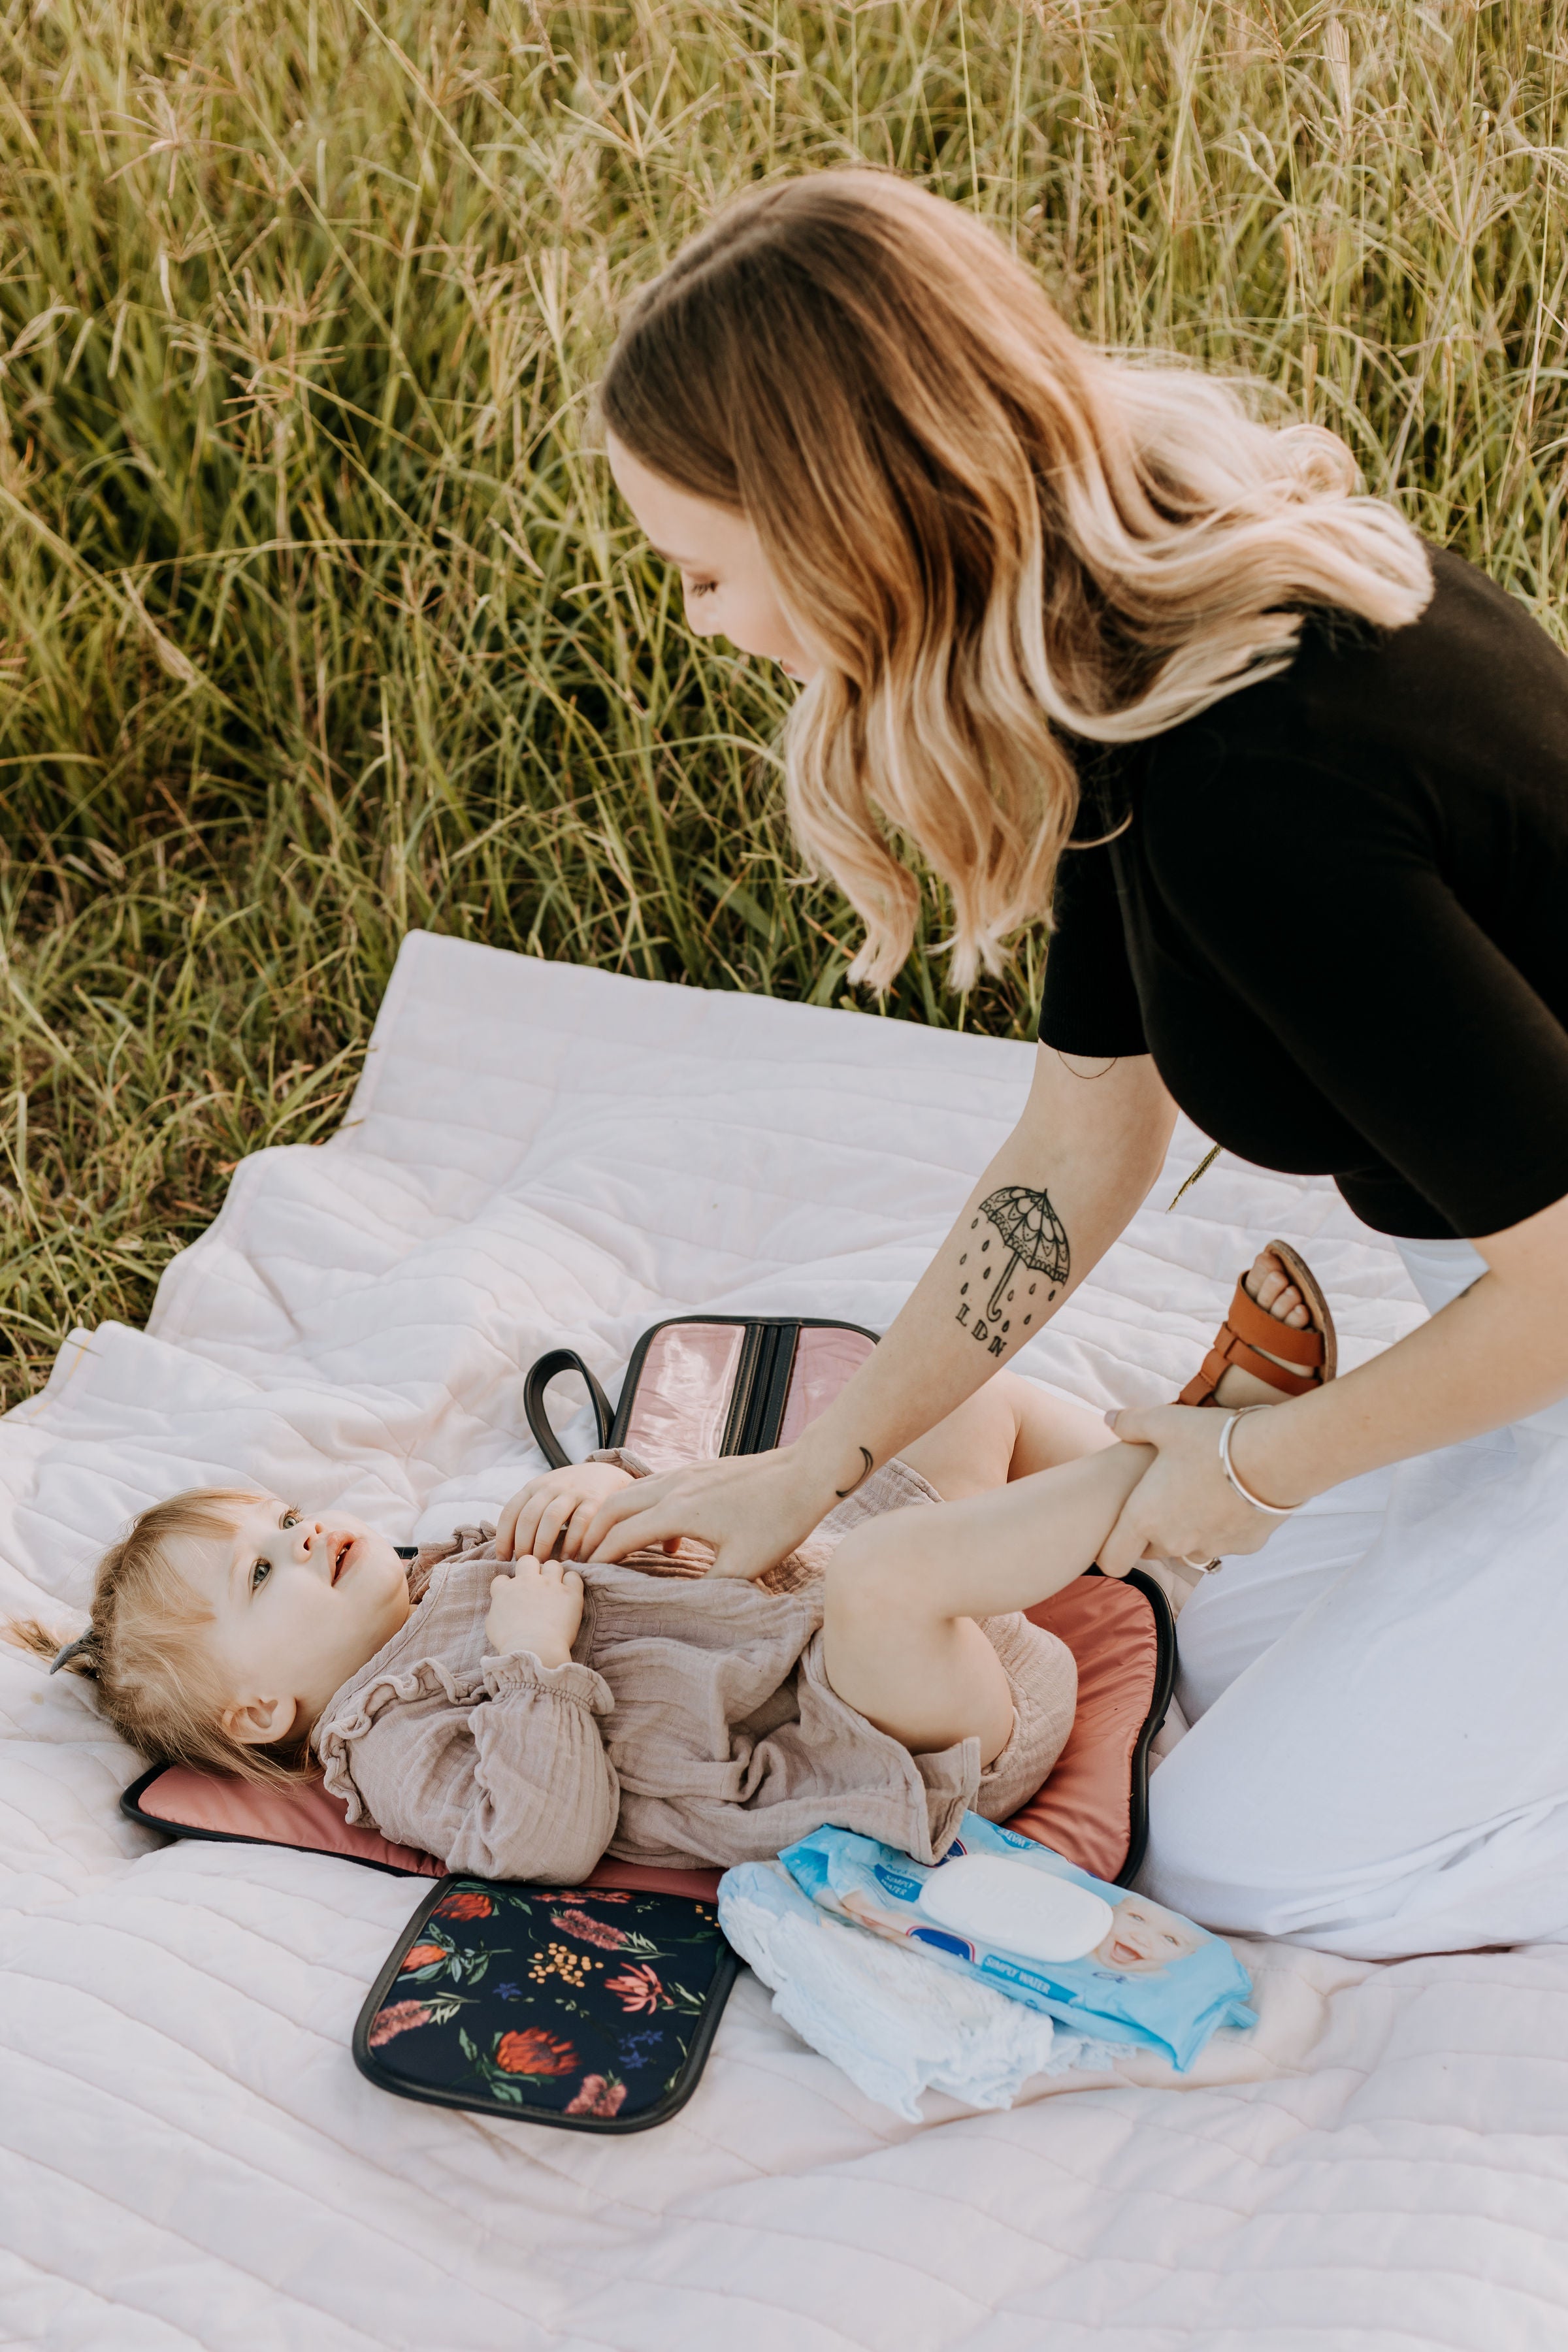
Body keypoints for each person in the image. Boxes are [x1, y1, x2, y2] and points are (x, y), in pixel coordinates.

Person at [578, 166, 1568, 1960]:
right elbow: (1078, 1142)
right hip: (1504, 1328)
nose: (709, 627)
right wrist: (815, 1471)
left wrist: (1263, 1469)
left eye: (708, 573)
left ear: (842, 528)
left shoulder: (1259, 781)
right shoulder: (1136, 655)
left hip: (1547, 1322)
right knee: (1230, 1665)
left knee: (1241, 1861)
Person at [9, 1290, 1328, 1880]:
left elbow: (659, 1534)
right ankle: (1216, 1456)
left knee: (957, 1403)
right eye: (264, 1572)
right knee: (889, 1578)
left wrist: (607, 1489)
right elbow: (541, 1839)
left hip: (827, 1606)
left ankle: (1179, 1529)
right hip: (882, 1741)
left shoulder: (449, 1567)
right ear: (260, 1716)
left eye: (290, 1520)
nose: (308, 1540)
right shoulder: (386, 1742)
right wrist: (535, 1658)